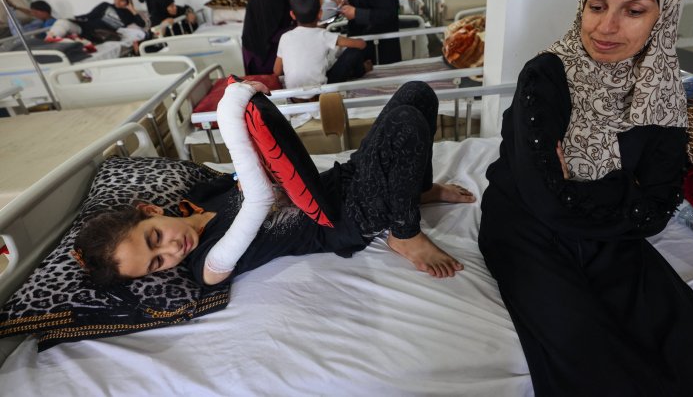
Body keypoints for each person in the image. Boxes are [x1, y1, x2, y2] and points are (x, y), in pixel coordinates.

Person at [478, 0, 693, 396]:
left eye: (634, 11)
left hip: (612, 234)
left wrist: (586, 191)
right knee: (591, 362)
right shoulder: (545, 74)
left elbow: (658, 210)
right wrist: (627, 189)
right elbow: (546, 200)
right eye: (596, 6)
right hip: (526, 227)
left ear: (665, 15)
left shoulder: (661, 93)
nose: (605, 27)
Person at [76, 80, 475, 287]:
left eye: (154, 238)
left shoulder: (196, 199)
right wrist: (233, 106)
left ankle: (416, 191)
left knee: (417, 95)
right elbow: (256, 201)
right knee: (407, 126)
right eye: (157, 263)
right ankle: (403, 232)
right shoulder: (207, 265)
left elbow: (247, 177)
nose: (171, 250)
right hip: (343, 218)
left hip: (340, 179)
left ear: (150, 212)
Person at [274, 0, 370, 92]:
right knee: (353, 52)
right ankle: (361, 70)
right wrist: (361, 42)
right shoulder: (323, 35)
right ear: (320, 14)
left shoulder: (285, 37)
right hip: (322, 93)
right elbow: (361, 45)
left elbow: (277, 71)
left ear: (292, 15)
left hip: (294, 97)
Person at [48, 0, 146, 44]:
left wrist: (132, 9)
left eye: (122, 0)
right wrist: (75, 18)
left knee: (72, 39)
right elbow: (89, 16)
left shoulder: (128, 15)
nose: (117, 1)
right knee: (62, 22)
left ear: (128, 1)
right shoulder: (105, 5)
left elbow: (142, 24)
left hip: (98, 35)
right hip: (85, 27)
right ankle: (50, 40)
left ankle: (59, 39)